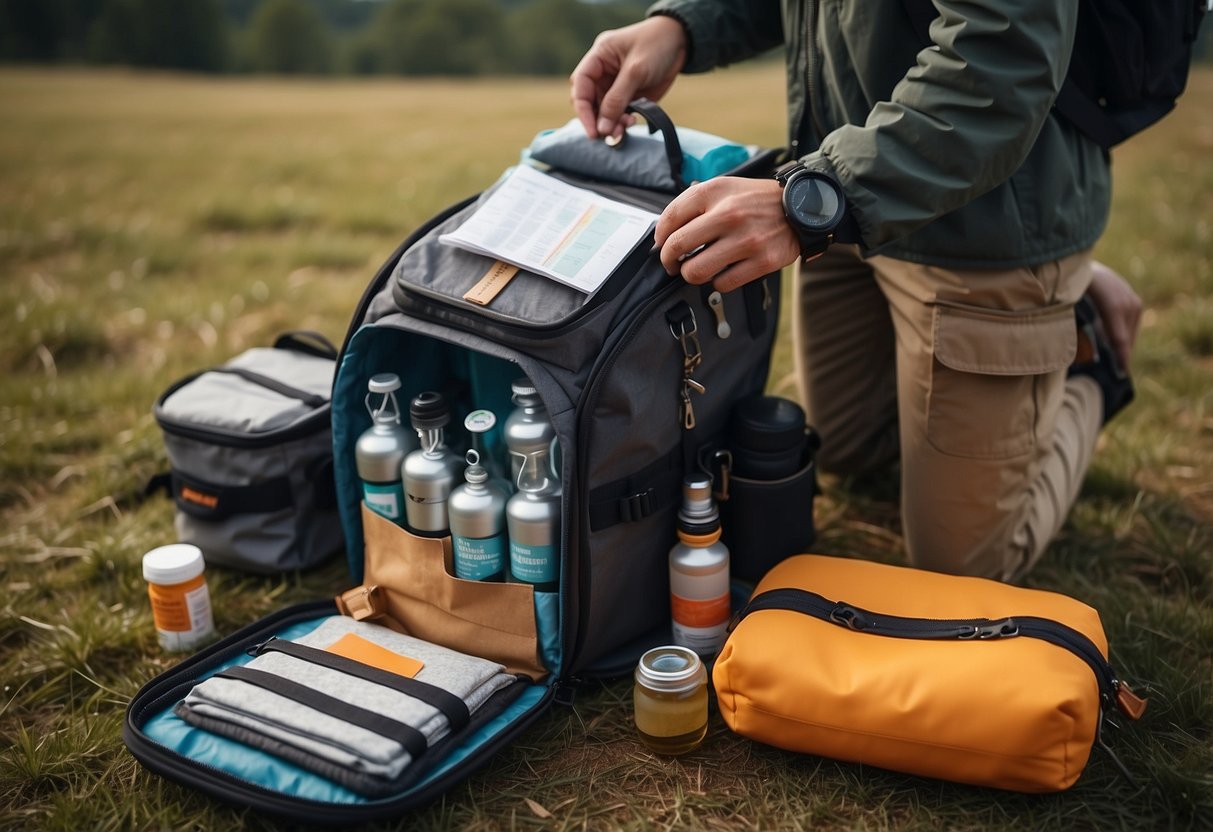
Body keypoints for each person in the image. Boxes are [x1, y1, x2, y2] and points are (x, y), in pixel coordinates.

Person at [569, 1, 1142, 581]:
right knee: (845, 450)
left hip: (990, 226)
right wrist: (682, 27)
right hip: (849, 204)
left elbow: (1002, 58)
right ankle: (1049, 312)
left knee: (962, 568)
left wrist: (816, 198)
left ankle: (1087, 358)